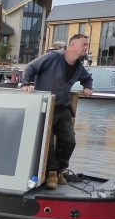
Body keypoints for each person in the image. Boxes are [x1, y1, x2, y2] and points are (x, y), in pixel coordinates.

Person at [22, 34, 94, 190]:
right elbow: (30, 67)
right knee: (48, 142)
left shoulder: (78, 66)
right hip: (46, 107)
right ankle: (52, 174)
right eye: (84, 44)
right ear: (73, 45)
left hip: (63, 108)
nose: (86, 48)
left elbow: (87, 78)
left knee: (69, 141)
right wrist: (26, 84)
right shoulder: (53, 57)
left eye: (87, 45)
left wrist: (87, 87)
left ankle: (60, 170)